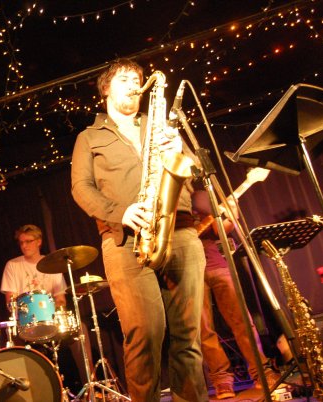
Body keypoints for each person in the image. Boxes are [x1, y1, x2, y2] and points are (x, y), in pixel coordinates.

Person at [71, 58, 207, 401]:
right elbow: (81, 188)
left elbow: (194, 171)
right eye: (125, 79)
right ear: (105, 89)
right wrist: (120, 212)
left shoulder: (162, 126)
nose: (134, 85)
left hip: (180, 230)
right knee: (145, 334)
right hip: (125, 241)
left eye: (138, 79)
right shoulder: (88, 138)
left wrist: (179, 150)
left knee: (188, 336)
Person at [192, 189, 281, 399]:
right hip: (189, 271)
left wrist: (232, 215)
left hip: (216, 265)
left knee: (243, 321)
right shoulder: (162, 199)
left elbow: (219, 230)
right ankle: (221, 379)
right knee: (204, 329)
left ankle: (261, 371)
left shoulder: (201, 195)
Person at [0, 224, 91, 389]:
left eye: (28, 241)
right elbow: (10, 302)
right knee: (10, 340)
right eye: (21, 242)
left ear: (39, 241)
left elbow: (61, 299)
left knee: (81, 329)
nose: (24, 246)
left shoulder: (54, 264)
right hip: (25, 323)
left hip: (51, 320)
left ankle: (90, 385)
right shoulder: (12, 265)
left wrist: (50, 313)